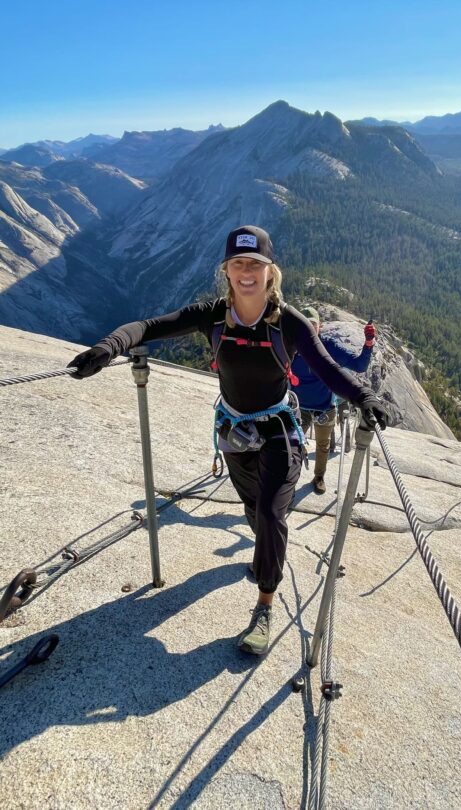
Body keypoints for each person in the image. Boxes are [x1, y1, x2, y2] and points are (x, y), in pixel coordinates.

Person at [68, 225, 387, 656]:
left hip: (279, 431)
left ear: (270, 271)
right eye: (238, 263)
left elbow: (328, 369)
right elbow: (147, 327)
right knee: (254, 509)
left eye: (255, 263)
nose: (246, 272)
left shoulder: (288, 323)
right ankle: (265, 552)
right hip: (234, 433)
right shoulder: (214, 315)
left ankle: (265, 604)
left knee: (271, 512)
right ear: (226, 270)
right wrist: (108, 348)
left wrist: (364, 397)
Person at [293, 306, 376, 494]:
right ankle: (290, 480)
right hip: (298, 407)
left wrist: (369, 343)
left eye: (312, 324)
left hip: (325, 407)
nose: (309, 328)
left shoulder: (329, 346)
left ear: (319, 326)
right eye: (305, 324)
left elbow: (359, 365)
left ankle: (319, 477)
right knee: (293, 444)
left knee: (323, 446)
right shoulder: (292, 345)